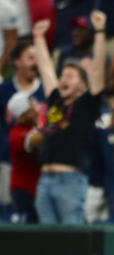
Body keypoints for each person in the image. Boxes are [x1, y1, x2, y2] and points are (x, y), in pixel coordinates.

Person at [32, 12, 106, 224]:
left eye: (70, 76)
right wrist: (38, 38)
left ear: (82, 86)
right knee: (47, 244)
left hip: (70, 180)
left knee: (71, 241)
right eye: (62, 75)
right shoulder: (55, 100)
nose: (63, 79)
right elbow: (46, 68)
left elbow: (98, 71)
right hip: (45, 179)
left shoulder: (87, 105)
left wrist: (100, 32)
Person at [0, 41, 45, 214]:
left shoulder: (46, 90)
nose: (35, 63)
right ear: (17, 61)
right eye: (30, 58)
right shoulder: (4, 91)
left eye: (38, 58)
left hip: (41, 167)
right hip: (8, 164)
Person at [7, 92, 43, 223]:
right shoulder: (15, 134)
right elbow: (36, 140)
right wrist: (59, 124)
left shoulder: (36, 126)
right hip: (23, 191)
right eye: (31, 110)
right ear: (21, 116)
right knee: (26, 232)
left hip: (38, 188)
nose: (36, 111)